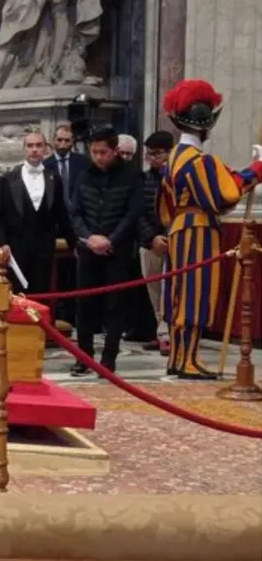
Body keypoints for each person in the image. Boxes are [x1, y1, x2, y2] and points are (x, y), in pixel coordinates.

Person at [158, 79, 262, 379]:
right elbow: (225, 195)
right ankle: (187, 359)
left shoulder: (174, 157)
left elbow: (165, 204)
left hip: (179, 227)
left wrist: (250, 170)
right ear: (206, 126)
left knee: (180, 294)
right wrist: (257, 170)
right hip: (198, 231)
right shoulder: (200, 161)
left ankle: (177, 358)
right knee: (195, 294)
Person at [69, 127, 143, 376]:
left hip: (117, 250)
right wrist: (90, 238)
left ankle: (108, 359)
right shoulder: (83, 175)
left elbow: (132, 214)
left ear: (114, 151)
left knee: (114, 305)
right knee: (84, 304)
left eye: (103, 152)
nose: (99, 157)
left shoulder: (132, 176)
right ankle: (84, 356)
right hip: (88, 247)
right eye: (94, 152)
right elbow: (75, 212)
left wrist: (110, 240)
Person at [0, 131, 76, 295]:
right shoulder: (6, 180)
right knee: (15, 300)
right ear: (24, 149)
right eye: (30, 146)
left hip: (44, 252)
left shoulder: (54, 179)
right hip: (14, 251)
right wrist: (3, 243)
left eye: (38, 145)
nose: (34, 149)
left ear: (46, 149)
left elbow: (62, 216)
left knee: (41, 298)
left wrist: (76, 245)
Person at [136, 130, 175, 356]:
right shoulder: (143, 179)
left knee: (173, 290)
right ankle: (162, 331)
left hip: (176, 240)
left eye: (157, 153)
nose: (152, 158)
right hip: (151, 242)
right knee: (154, 291)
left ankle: (169, 334)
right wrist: (152, 238)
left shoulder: (179, 176)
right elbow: (138, 213)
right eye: (149, 154)